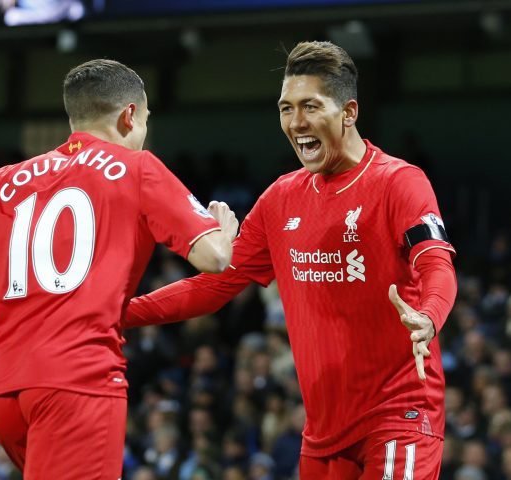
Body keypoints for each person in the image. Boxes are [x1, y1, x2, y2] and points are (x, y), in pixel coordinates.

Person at [0, 58, 239, 479]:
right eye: (146, 120)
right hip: (76, 381)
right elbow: (215, 259)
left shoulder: (2, 182)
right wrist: (224, 232)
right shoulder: (138, 168)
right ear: (130, 116)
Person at [125, 41, 458, 479]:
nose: (296, 122)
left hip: (400, 416)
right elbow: (212, 286)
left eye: (310, 106)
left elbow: (436, 263)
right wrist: (117, 313)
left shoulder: (399, 182)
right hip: (323, 435)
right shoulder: (281, 198)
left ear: (349, 112)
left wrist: (429, 316)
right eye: (286, 108)